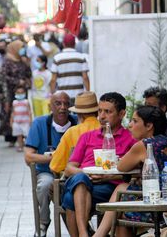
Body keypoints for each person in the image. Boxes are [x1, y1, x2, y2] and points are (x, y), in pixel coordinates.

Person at [93, 105, 167, 237]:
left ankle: (98, 235)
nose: (130, 125)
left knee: (122, 190)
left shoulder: (145, 145)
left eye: (135, 121)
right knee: (123, 203)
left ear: (149, 126)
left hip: (159, 205)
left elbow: (121, 167)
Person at [63, 92, 136, 237]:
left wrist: (106, 177)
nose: (101, 116)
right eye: (100, 111)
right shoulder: (87, 137)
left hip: (109, 188)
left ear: (121, 114)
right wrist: (87, 174)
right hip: (83, 180)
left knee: (69, 199)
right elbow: (69, 168)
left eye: (107, 112)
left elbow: (135, 172)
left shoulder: (130, 139)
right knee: (80, 180)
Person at [24, 91, 77, 237]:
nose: (62, 107)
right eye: (58, 103)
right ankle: (43, 222)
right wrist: (55, 157)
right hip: (46, 171)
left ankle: (82, 227)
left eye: (66, 104)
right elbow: (28, 157)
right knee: (45, 185)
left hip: (71, 172)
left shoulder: (77, 123)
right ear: (50, 106)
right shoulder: (39, 123)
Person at [50, 91, 100, 174]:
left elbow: (55, 167)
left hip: (80, 180)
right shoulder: (109, 129)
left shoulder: (72, 132)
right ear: (97, 112)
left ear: (79, 114)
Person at [0, 39, 32, 147]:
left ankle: (22, 136)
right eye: (20, 47)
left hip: (22, 91)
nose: (22, 50)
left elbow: (28, 73)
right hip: (10, 91)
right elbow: (3, 76)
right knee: (10, 113)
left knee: (22, 112)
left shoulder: (22, 60)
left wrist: (26, 80)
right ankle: (11, 137)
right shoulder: (7, 61)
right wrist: (17, 81)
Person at [50, 33, 90, 105]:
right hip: (79, 96)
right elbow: (85, 77)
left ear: (63, 44)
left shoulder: (57, 58)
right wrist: (88, 92)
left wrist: (53, 94)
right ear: (74, 44)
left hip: (62, 96)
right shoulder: (81, 57)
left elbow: (53, 80)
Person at [11, 86, 32, 152]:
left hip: (25, 121)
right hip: (17, 121)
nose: (20, 94)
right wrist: (11, 120)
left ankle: (28, 146)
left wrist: (30, 120)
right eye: (18, 93)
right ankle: (20, 146)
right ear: (15, 93)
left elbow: (29, 112)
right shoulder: (14, 102)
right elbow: (13, 112)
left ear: (25, 93)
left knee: (27, 135)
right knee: (19, 135)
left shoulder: (26, 102)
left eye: (22, 93)